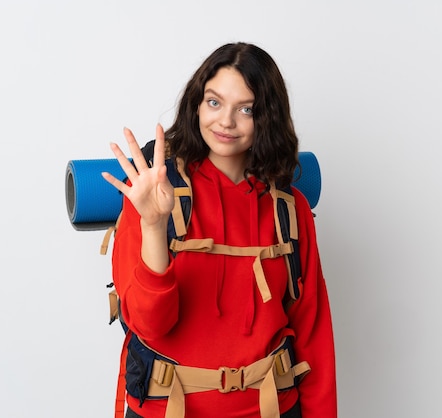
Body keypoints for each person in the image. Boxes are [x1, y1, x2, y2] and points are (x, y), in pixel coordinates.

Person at [102, 42, 336, 418]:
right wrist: (153, 225)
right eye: (214, 102)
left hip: (272, 409)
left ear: (267, 118)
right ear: (196, 104)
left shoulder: (290, 210)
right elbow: (147, 325)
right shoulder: (151, 195)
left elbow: (313, 336)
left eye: (246, 109)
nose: (226, 121)